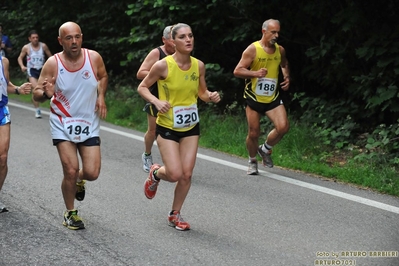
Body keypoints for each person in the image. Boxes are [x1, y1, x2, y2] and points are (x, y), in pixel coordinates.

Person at [137, 23, 220, 231]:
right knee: (173, 174)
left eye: (190, 35)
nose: (188, 40)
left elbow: (201, 93)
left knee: (186, 174)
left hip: (191, 126)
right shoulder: (162, 65)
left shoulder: (199, 65)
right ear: (173, 42)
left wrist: (210, 97)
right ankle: (156, 173)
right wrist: (156, 102)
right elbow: (142, 87)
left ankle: (175, 214)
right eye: (182, 37)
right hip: (167, 127)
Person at [33, 21, 108, 230]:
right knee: (70, 169)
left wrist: (101, 96)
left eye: (77, 37)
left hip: (88, 122)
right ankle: (70, 212)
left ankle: (79, 180)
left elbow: (102, 76)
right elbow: (36, 95)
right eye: (68, 38)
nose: (74, 42)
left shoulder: (94, 58)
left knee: (92, 173)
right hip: (62, 122)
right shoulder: (52, 64)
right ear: (60, 41)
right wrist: (45, 93)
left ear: (81, 37)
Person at [233, 19, 290, 175]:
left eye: (278, 32)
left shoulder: (280, 50)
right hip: (254, 97)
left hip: (272, 97)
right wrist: (255, 73)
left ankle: (265, 149)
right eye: (273, 32)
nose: (276, 35)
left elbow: (284, 64)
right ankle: (252, 161)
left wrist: (286, 77)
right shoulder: (253, 50)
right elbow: (237, 71)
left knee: (283, 127)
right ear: (264, 31)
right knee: (253, 133)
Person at [136, 25, 175, 173]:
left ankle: (172, 162)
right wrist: (159, 74)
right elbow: (140, 73)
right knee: (153, 131)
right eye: (172, 38)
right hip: (155, 97)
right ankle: (147, 155)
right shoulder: (157, 53)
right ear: (164, 40)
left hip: (175, 99)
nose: (176, 42)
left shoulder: (182, 53)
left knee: (174, 131)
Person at [0, 45, 32, 212]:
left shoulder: (3, 62)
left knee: (3, 157)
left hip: (1, 110)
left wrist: (18, 89)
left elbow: (5, 87)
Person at [18, 30, 53, 118]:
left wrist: (52, 66)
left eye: (37, 37)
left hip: (42, 70)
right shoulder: (26, 47)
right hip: (32, 70)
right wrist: (22, 66)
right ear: (29, 39)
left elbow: (51, 57)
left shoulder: (43, 46)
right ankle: (37, 110)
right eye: (33, 38)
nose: (35, 39)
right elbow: (20, 58)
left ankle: (49, 106)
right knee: (36, 89)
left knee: (46, 89)